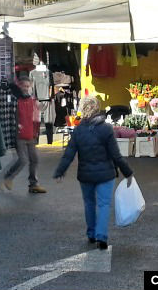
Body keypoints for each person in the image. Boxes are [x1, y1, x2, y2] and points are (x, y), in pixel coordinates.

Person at [54, 96, 133, 250]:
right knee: (103, 204)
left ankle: (91, 233)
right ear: (97, 109)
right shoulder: (106, 129)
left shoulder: (78, 131)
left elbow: (69, 154)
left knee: (89, 203)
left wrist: (60, 171)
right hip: (106, 175)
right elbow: (115, 155)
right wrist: (127, 172)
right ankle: (101, 237)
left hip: (85, 175)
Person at [0, 77, 47, 194]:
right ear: (20, 86)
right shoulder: (16, 100)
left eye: (28, 86)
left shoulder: (31, 100)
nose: (26, 88)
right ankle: (6, 177)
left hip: (30, 135)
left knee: (34, 159)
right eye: (24, 86)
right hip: (19, 135)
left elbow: (36, 114)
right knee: (22, 160)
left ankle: (33, 184)